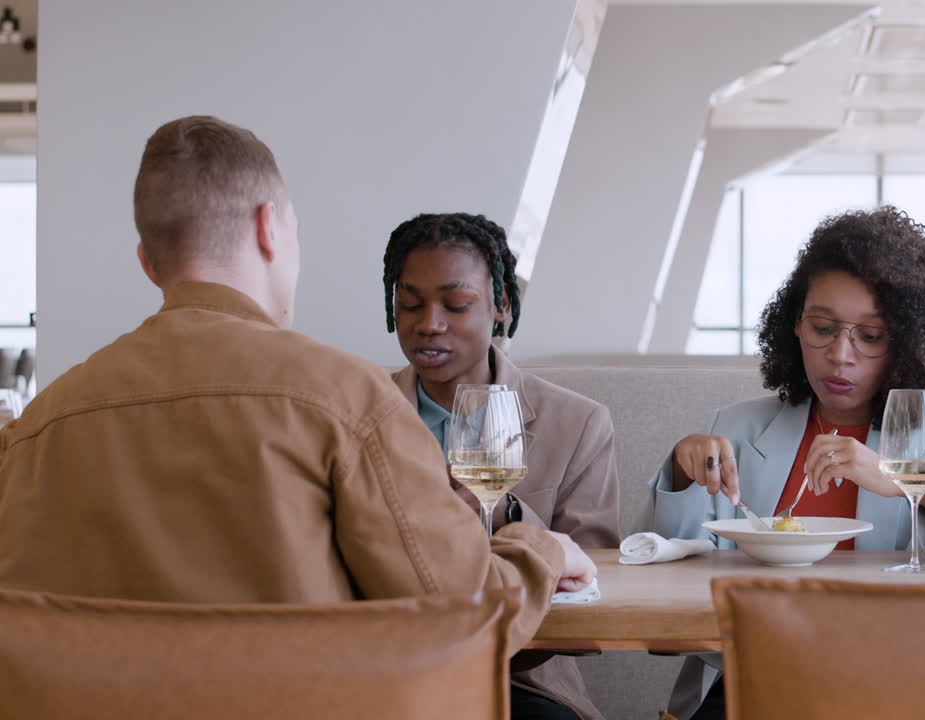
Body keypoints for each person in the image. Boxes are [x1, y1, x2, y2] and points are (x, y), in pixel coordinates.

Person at [0, 116, 596, 658]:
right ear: (268, 229)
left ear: (148, 262)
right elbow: (460, 617)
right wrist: (542, 550)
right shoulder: (349, 399)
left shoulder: (39, 424)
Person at [649, 206, 925, 719]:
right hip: (756, 675)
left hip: (898, 681)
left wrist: (904, 478)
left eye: (869, 336)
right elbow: (675, 576)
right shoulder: (738, 427)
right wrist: (681, 473)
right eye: (823, 328)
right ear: (794, 328)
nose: (840, 354)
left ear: (909, 341)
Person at [383, 212, 620, 720]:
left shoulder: (577, 423)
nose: (429, 323)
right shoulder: (358, 410)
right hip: (382, 666)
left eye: (457, 304)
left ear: (501, 306)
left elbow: (596, 580)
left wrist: (506, 516)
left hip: (518, 675)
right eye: (409, 303)